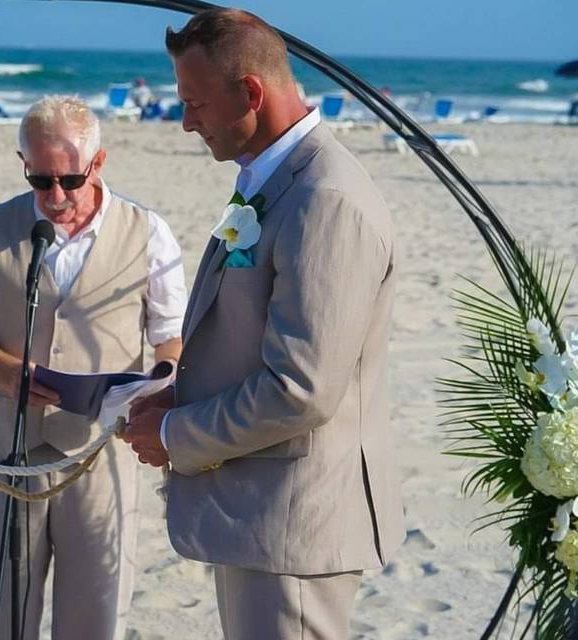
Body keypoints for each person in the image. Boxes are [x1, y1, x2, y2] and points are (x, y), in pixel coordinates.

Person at [125, 9, 405, 640]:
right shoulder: (274, 181)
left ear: (251, 93)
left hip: (295, 524)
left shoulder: (324, 198)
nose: (186, 119)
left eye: (195, 102)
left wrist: (176, 432)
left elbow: (302, 387)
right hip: (261, 512)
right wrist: (179, 395)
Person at [0, 95, 187, 640]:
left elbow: (171, 338)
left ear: (98, 164)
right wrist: (9, 375)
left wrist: (160, 382)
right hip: (11, 449)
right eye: (40, 180)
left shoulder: (148, 231)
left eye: (70, 180)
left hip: (101, 450)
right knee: (1, 604)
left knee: (97, 607)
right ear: (23, 164)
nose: (55, 196)